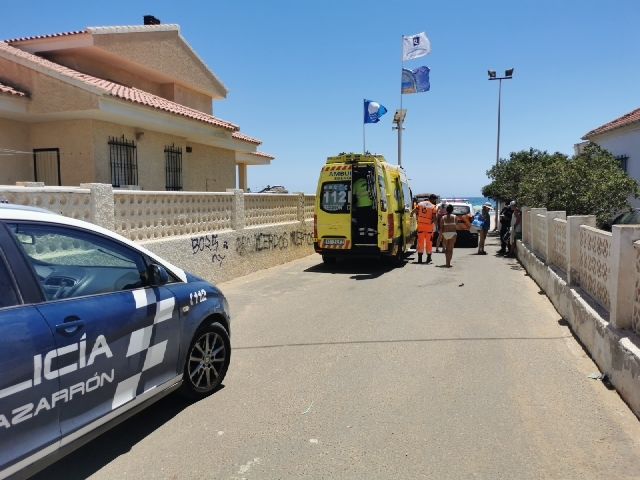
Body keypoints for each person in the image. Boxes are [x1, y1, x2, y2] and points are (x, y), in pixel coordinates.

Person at [413, 193, 438, 264]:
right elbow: (434, 218)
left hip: (420, 227)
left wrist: (411, 214)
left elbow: (415, 210)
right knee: (429, 243)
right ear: (432, 199)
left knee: (420, 242)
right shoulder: (433, 207)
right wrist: (436, 226)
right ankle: (428, 258)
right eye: (435, 199)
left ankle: (420, 259)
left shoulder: (420, 204)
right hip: (429, 228)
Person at [352, 175, 376, 241]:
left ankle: (362, 238)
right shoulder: (369, 182)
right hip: (370, 206)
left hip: (360, 207)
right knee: (370, 222)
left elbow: (353, 196)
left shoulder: (355, 183)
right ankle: (371, 237)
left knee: (361, 223)